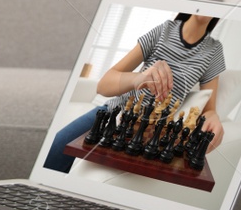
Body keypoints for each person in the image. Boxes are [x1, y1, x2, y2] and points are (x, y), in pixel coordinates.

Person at [42, 12, 225, 174]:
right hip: (115, 113)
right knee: (51, 153)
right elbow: (103, 86)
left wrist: (213, 118)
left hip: (154, 129)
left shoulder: (214, 50)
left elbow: (209, 110)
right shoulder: (164, 30)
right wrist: (138, 79)